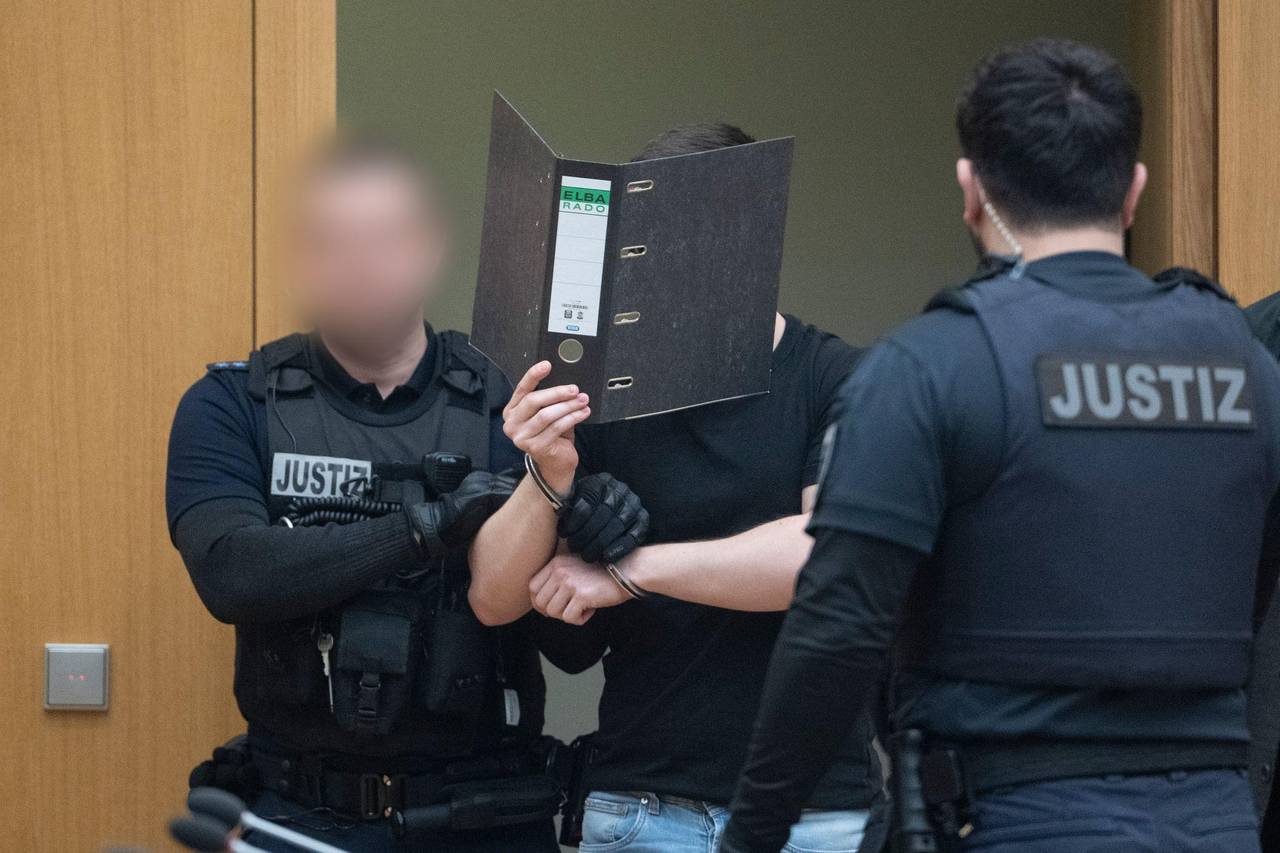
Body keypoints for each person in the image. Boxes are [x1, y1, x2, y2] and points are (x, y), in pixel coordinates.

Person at [720, 39, 1280, 853]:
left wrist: (750, 837)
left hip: (1014, 819)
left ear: (971, 190)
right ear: (1133, 190)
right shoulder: (1250, 368)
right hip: (1213, 823)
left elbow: (835, 631)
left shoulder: (932, 367)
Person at [467, 123, 879, 852]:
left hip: (811, 811)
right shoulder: (606, 392)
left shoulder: (836, 377)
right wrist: (546, 474)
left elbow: (826, 559)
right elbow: (495, 598)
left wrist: (629, 572)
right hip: (641, 805)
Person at [165, 134, 569, 851]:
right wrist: (422, 528)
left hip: (481, 814)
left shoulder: (514, 407)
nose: (361, 265)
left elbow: (573, 641)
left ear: (429, 248)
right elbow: (232, 572)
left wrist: (584, 515)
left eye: (384, 239)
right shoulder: (232, 403)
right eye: (334, 243)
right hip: (294, 813)